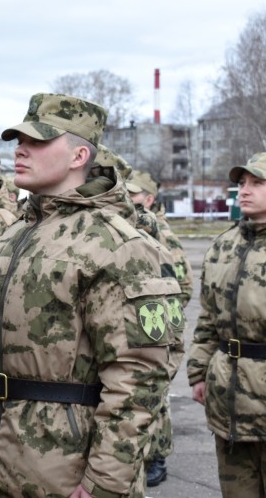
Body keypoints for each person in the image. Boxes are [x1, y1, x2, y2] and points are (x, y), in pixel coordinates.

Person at [0, 93, 182, 497]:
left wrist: (104, 482)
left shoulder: (115, 243)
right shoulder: (12, 236)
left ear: (79, 155)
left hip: (66, 471)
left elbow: (139, 377)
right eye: (19, 140)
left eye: (38, 141)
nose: (21, 150)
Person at [187, 152, 266, 497]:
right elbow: (208, 316)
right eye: (241, 183)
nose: (244, 191)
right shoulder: (222, 246)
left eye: (257, 183)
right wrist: (198, 372)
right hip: (229, 400)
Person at [126, 169, 193, 487]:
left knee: (157, 397)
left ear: (149, 199)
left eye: (135, 194)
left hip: (155, 321)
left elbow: (183, 283)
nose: (130, 197)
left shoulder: (161, 232)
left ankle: (158, 456)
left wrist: (164, 318)